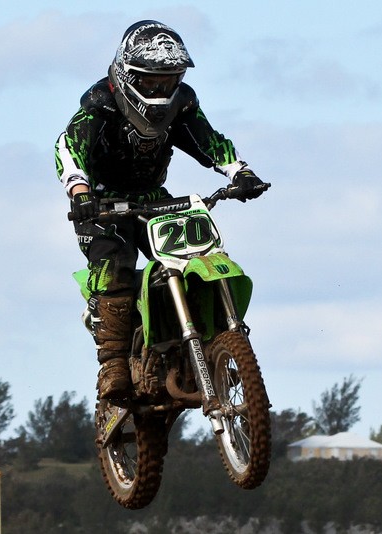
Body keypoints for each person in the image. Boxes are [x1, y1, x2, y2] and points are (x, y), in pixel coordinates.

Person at [54, 20, 266, 399]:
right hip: (102, 205)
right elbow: (68, 146)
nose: (160, 90)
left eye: (168, 81)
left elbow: (209, 140)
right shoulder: (100, 104)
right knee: (114, 268)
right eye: (151, 82)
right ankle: (113, 365)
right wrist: (80, 192)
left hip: (153, 198)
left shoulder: (181, 104)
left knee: (197, 255)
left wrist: (240, 171)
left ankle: (216, 345)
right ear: (127, 75)